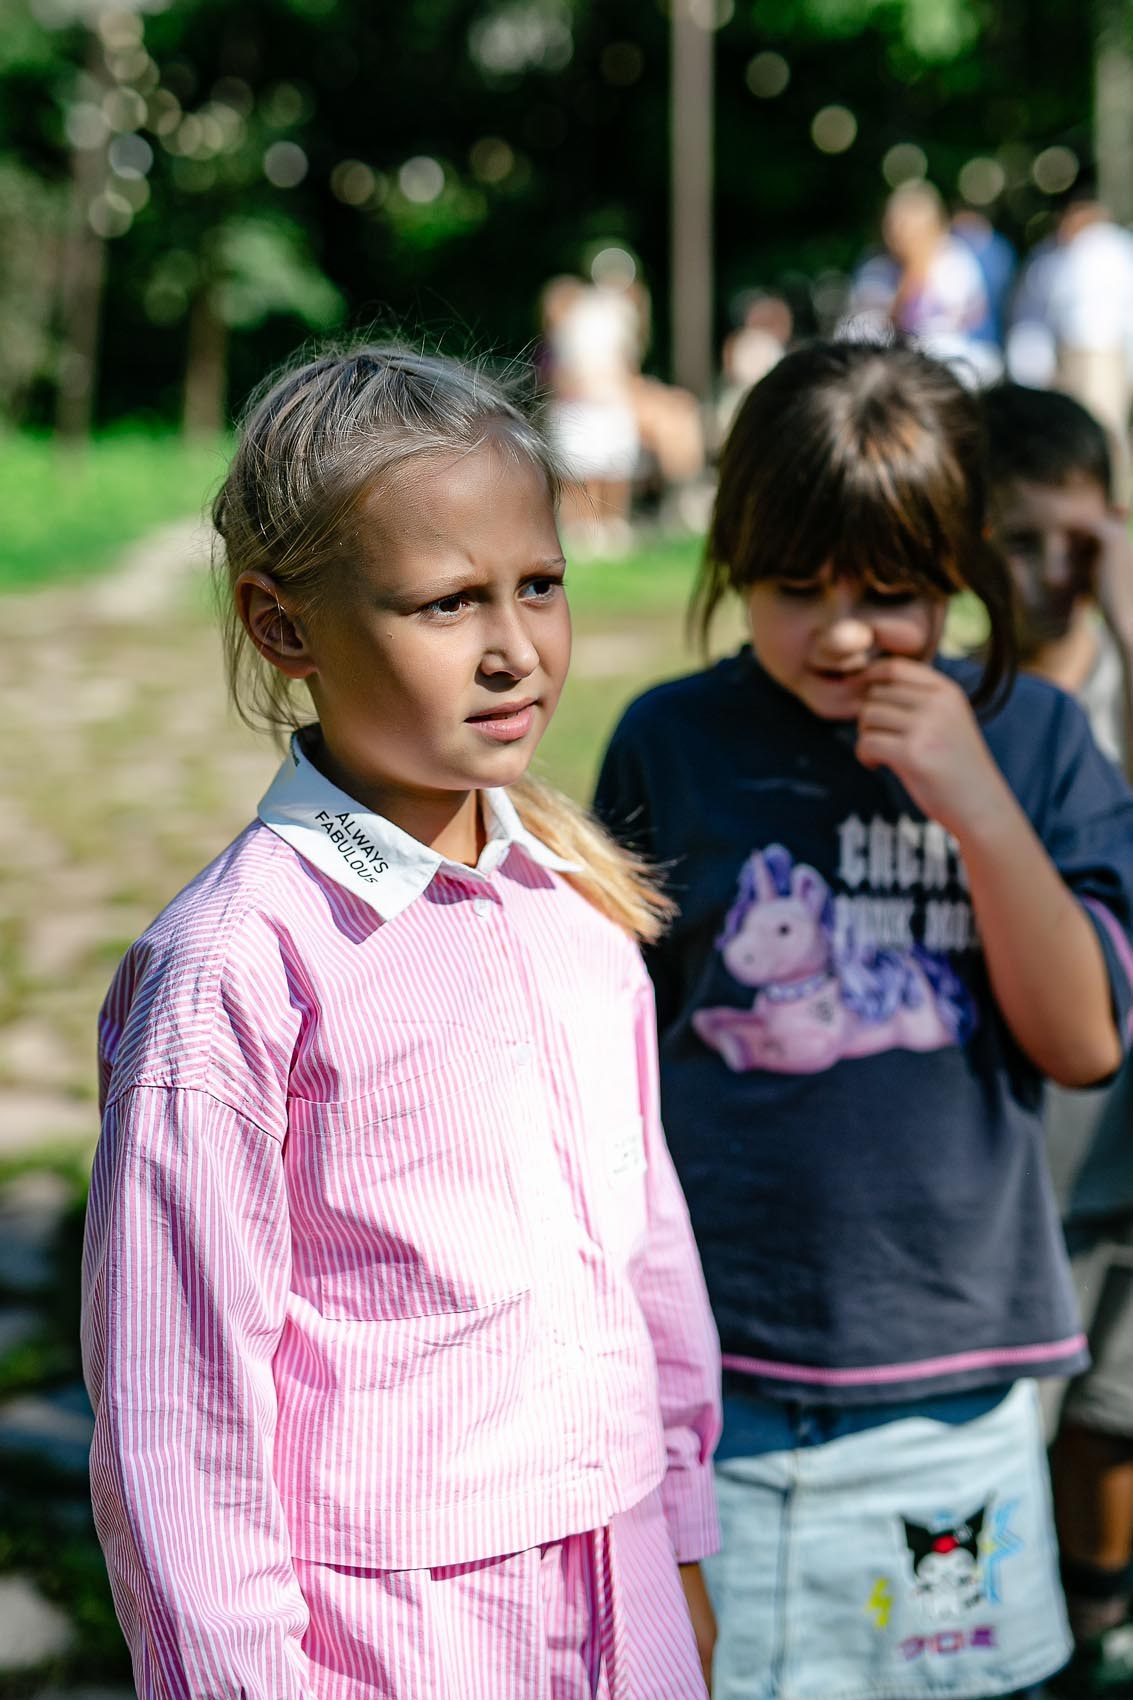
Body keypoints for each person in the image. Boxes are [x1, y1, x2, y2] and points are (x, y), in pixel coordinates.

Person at [80, 343, 722, 1699]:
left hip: (617, 1583)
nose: (512, 650)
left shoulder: (578, 905)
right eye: (446, 604)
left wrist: (679, 1551)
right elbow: (177, 1417)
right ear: (283, 625)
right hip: (396, 1640)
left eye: (536, 586)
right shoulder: (235, 971)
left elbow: (647, 1255)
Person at [594, 338, 1133, 1700]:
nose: (842, 633)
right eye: (794, 589)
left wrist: (978, 809)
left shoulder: (1040, 745)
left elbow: (1083, 1043)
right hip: (710, 1377)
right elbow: (608, 1045)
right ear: (730, 562)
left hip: (950, 1385)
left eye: (890, 595)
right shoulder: (674, 742)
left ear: (960, 571)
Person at [984, 381, 1133, 1695]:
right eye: (1014, 542)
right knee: (1003, 1451)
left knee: (1113, 1427)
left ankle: (1095, 1639)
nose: (1049, 575)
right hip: (1017, 1171)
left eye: (1075, 541)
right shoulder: (950, 706)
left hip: (1124, 1160)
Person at [1006, 183, 1133, 501]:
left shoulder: (1116, 250)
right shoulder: (1049, 257)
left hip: (1106, 354)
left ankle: (1109, 497)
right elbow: (1033, 316)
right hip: (1065, 357)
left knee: (1105, 431)